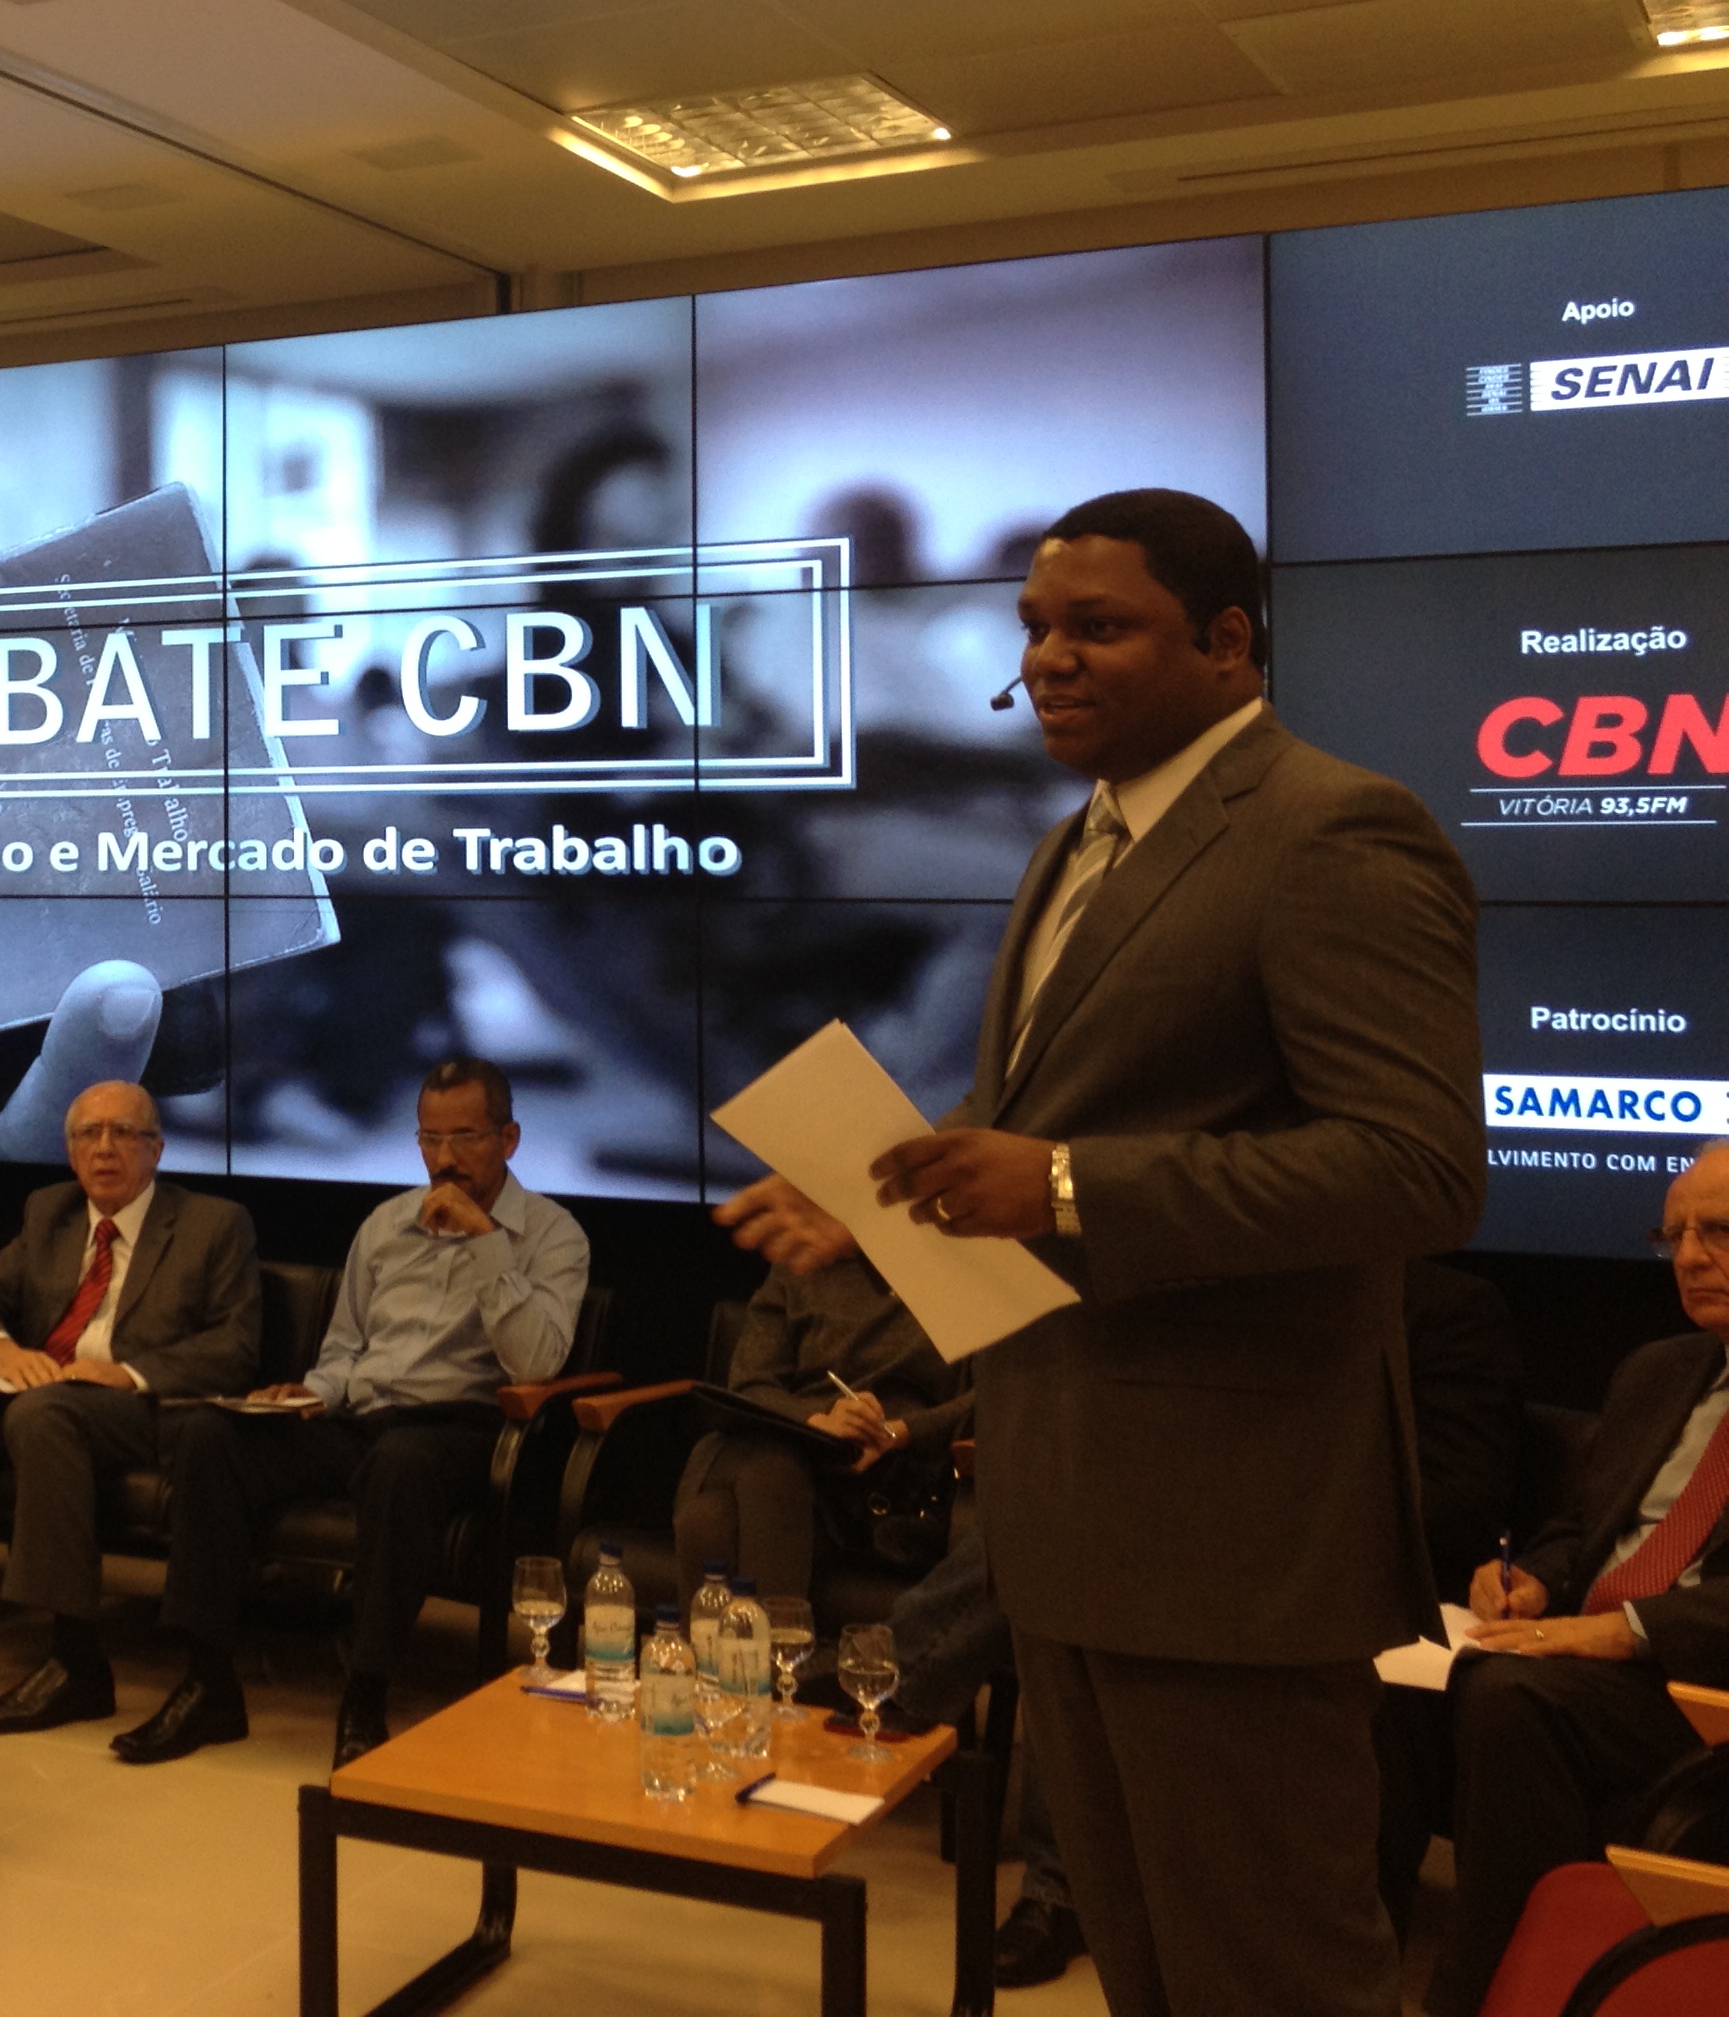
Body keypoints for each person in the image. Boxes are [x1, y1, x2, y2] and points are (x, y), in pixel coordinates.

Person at [721, 488, 1481, 2017]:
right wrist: (877, 1202)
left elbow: (1416, 1170)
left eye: (1099, 626)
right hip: (1061, 1514)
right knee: (1147, 1969)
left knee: (1272, 1977)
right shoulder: (1076, 844)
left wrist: (1063, 1184)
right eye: (1035, 628)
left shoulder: (1334, 828)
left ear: (1227, 642)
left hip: (1233, 1543)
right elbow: (1043, 1121)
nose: (1047, 659)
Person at [891, 1257, 1521, 1991]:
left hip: (1292, 1568)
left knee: (1270, 1959)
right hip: (1115, 1530)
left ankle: (889, 1684)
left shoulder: (1441, 1308)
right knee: (1061, 1550)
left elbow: (1460, 1492)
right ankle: (1045, 1874)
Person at [126, 1056, 588, 1767]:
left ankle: (365, 1695)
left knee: (401, 1463)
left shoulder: (555, 1235)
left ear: (508, 1139)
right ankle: (208, 1680)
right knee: (213, 1436)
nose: (445, 1158)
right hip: (362, 1421)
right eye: (430, 1139)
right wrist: (313, 1393)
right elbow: (344, 1349)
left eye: (464, 1137)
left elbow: (535, 1364)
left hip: (462, 1428)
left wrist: (486, 1241)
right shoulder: (385, 1225)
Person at [1399, 1148, 1729, 2017]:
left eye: (1720, 1232)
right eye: (1675, 1236)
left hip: (1699, 1684)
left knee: (1514, 1699)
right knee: (1403, 1679)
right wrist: (1535, 1583)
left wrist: (1621, 1630)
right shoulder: (1659, 1371)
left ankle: (1487, 2000)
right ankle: (1346, 1970)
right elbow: (1583, 1526)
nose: (1691, 1257)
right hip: (1589, 1661)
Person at [0, 1082, 258, 1731]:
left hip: (144, 1407)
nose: (104, 1149)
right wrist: (2, 1349)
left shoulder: (213, 1224)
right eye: (89, 1134)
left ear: (156, 1150)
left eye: (123, 1133)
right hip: (41, 1389)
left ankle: (74, 1660)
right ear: (69, 1152)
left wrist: (126, 1373)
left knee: (45, 1414)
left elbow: (235, 1346)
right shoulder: (50, 1213)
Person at [673, 1254, 963, 1606]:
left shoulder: (960, 1269)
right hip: (790, 1449)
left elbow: (993, 1399)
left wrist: (901, 1431)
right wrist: (816, 1421)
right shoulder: (802, 1262)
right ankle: (780, 1639)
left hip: (882, 1484)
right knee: (771, 1465)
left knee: (710, 1518)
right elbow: (751, 1385)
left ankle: (740, 1642)